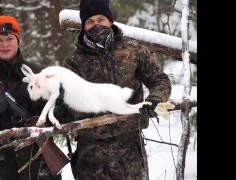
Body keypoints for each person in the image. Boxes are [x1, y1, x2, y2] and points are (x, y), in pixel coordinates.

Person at [62, 0, 172, 179]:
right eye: (90, 21)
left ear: (110, 21)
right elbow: (65, 100)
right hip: (90, 153)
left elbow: (159, 80)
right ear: (83, 26)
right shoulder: (74, 61)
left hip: (130, 148)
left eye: (101, 19)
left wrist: (156, 100)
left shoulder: (133, 50)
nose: (96, 25)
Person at [0, 15, 70, 180]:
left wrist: (44, 121)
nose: (5, 44)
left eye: (10, 38)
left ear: (18, 41)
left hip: (39, 168)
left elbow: (66, 108)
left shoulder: (39, 73)